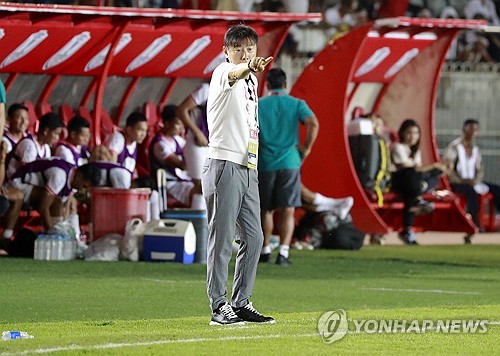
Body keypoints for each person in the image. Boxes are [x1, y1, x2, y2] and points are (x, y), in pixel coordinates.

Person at [202, 24, 274, 326]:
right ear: (226, 51)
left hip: (247, 165)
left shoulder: (252, 82)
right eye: (239, 48)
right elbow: (234, 74)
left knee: (255, 238)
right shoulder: (223, 72)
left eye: (250, 48)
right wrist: (246, 66)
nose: (245, 53)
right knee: (222, 240)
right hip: (224, 163)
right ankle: (219, 306)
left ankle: (241, 302)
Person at [257, 67, 320, 266]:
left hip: (264, 162)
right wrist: (306, 149)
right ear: (285, 85)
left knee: (265, 210)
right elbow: (313, 123)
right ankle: (283, 253)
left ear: (266, 85)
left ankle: (265, 249)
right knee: (287, 210)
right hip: (289, 161)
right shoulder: (296, 104)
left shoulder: (258, 104)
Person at [391, 119, 449, 245]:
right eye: (409, 133)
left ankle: (408, 228)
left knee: (434, 174)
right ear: (402, 133)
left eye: (416, 133)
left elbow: (420, 169)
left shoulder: (416, 151)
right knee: (411, 175)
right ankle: (419, 194)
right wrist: (434, 165)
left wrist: (437, 169)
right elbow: (409, 167)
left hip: (412, 185)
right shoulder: (398, 147)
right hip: (400, 180)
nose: (413, 136)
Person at [5, 158, 101, 233]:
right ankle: (7, 236)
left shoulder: (73, 176)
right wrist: (51, 231)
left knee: (57, 203)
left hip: (33, 188)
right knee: (55, 200)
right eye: (84, 186)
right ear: (79, 176)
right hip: (17, 184)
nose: (82, 189)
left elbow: (65, 208)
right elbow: (43, 206)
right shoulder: (60, 175)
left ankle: (56, 234)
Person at [443, 119, 500, 237]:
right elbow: (448, 168)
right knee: (471, 192)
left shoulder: (475, 149)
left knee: (497, 189)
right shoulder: (454, 147)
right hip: (457, 183)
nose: (473, 132)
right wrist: (460, 180)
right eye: (470, 129)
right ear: (464, 130)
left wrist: (475, 180)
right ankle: (473, 220)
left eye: (476, 130)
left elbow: (480, 169)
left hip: (473, 182)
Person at [149, 105, 205, 210]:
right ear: (167, 124)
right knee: (202, 190)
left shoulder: (176, 139)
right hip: (171, 184)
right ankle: (198, 221)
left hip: (184, 180)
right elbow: (183, 165)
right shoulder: (160, 144)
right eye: (178, 124)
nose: (181, 128)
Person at [176, 83, 209, 209]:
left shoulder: (230, 92)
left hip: (212, 145)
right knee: (201, 186)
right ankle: (198, 224)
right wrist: (197, 132)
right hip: (196, 144)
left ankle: (206, 224)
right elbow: (181, 110)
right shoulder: (206, 90)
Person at [6, 112, 64, 180]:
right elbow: (26, 174)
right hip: (12, 182)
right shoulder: (29, 145)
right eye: (56, 134)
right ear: (46, 131)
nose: (57, 138)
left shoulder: (46, 148)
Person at [106, 111, 148, 176]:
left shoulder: (134, 141)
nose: (143, 134)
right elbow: (112, 166)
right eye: (140, 130)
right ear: (129, 130)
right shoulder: (118, 138)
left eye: (145, 130)